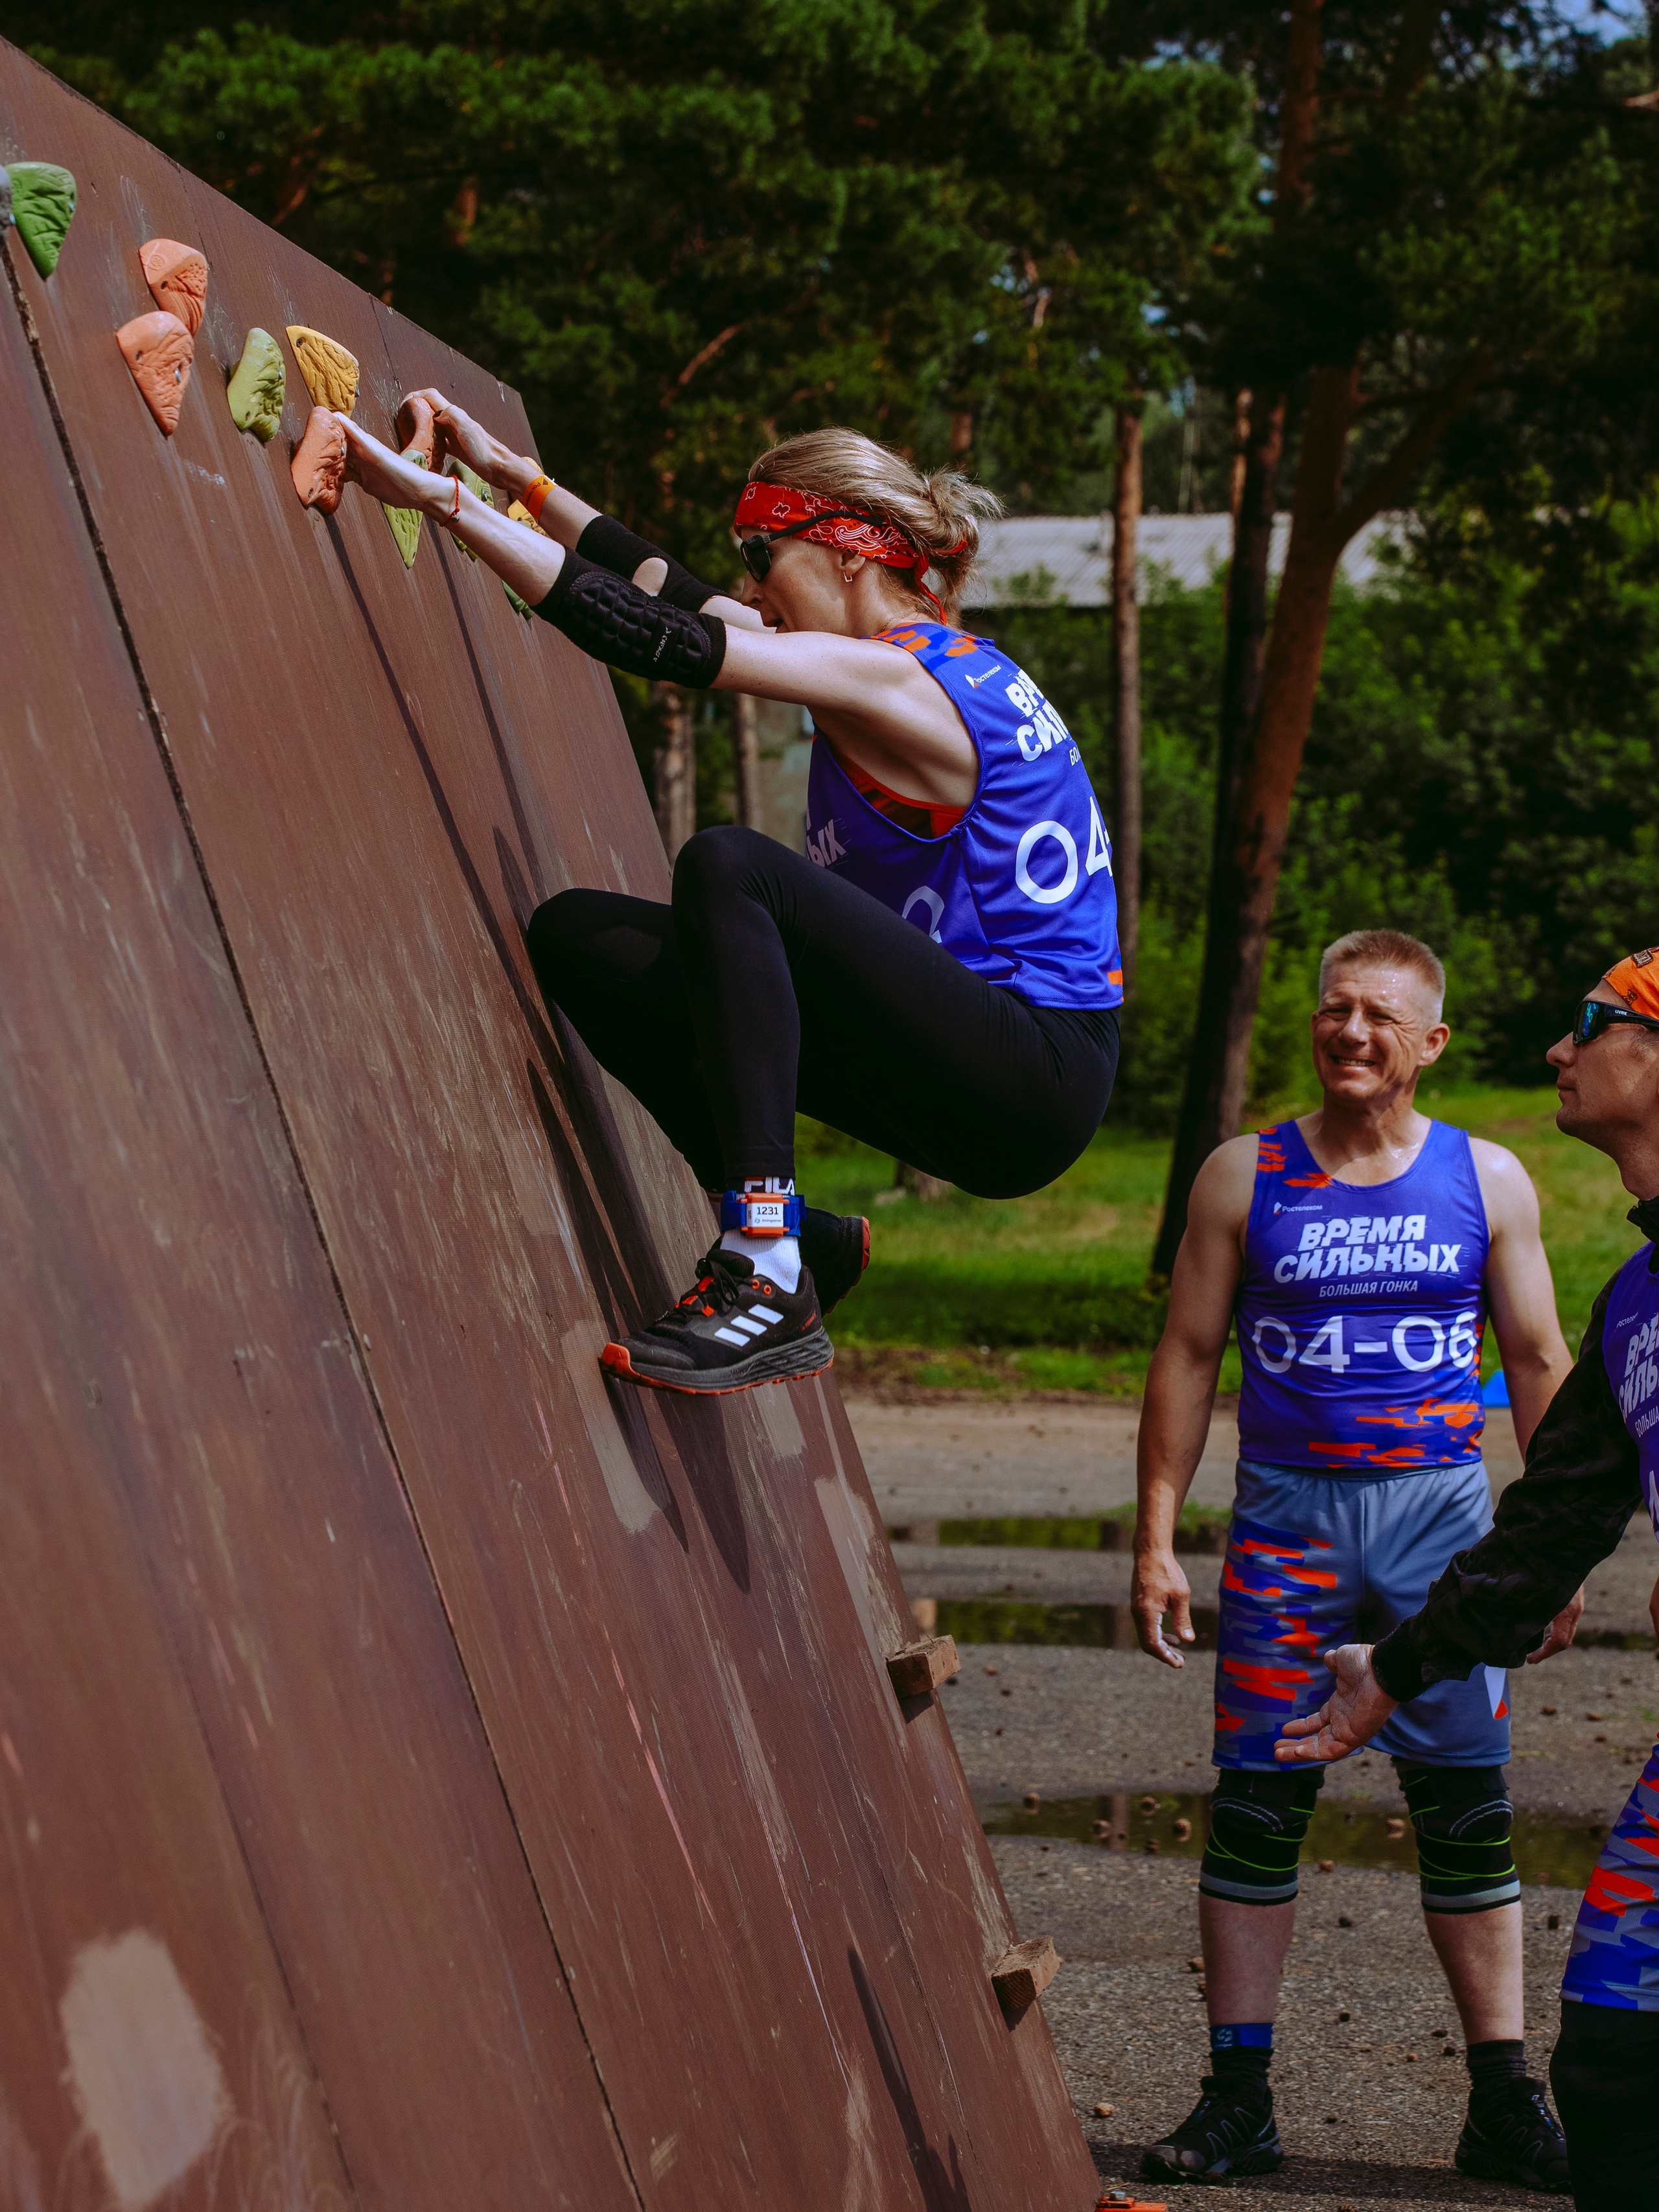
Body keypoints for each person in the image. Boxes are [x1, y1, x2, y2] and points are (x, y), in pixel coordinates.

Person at [329, 399, 1122, 1393]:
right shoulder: (880, 662)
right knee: (583, 943)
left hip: (1032, 1076)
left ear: (847, 551)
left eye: (761, 553)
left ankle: (764, 1261)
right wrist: (518, 479)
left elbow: (654, 638)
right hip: (967, 1058)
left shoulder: (909, 681)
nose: (750, 586)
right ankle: (807, 1241)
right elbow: (670, 592)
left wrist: (445, 504)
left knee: (733, 867)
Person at [1130, 928, 1579, 2189]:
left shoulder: (1486, 1178)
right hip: (1287, 1527)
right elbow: (1186, 1355)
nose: (1350, 1032)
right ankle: (1238, 2100)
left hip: (1442, 1533)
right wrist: (1157, 1538)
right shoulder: (1243, 1174)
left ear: (1429, 1042)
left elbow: (1538, 1361)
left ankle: (1501, 2100)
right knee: (1255, 1807)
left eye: (1379, 1015)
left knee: (1466, 1810)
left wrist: (1547, 1555)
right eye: (1335, 1009)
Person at [1274, 948, 1659, 2212]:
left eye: (1589, 1023)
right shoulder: (1636, 1301)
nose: (1557, 1050)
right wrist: (1392, 1670)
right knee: (1609, 2058)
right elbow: (1544, 1531)